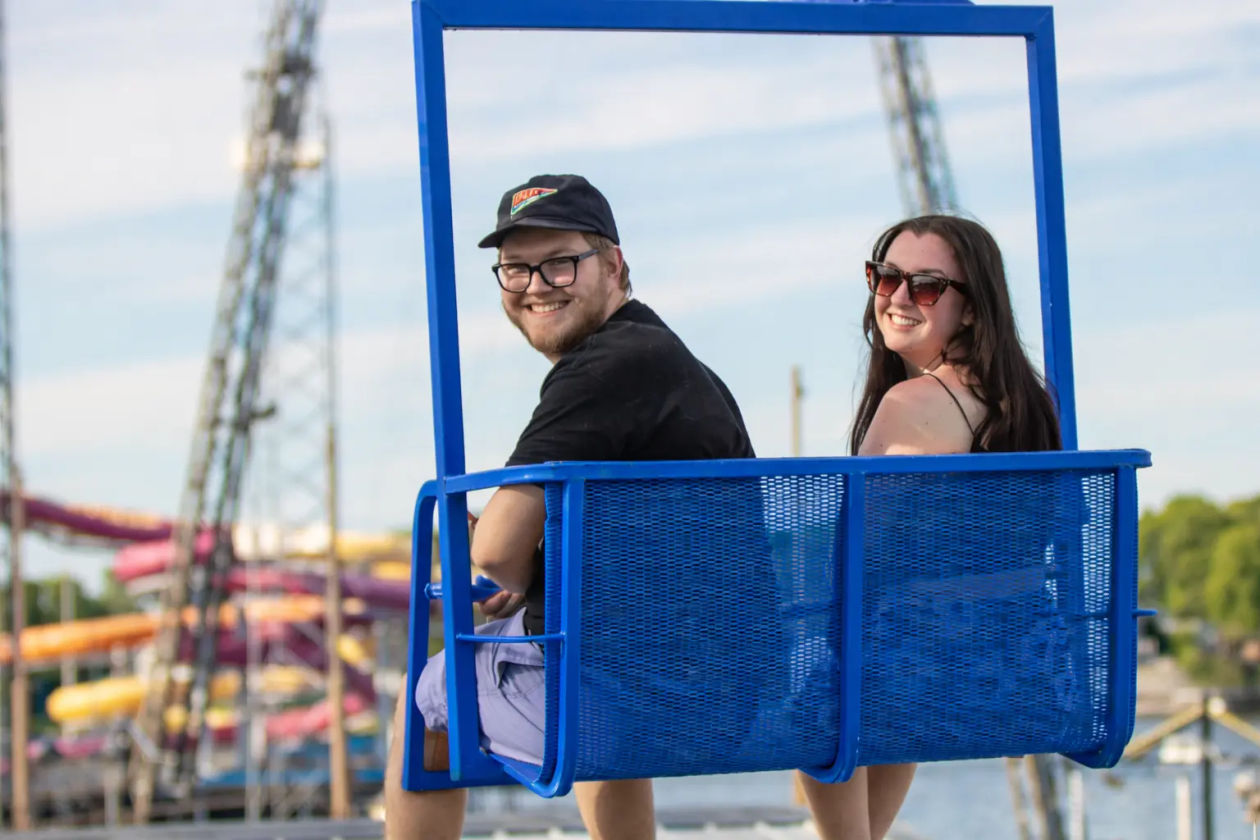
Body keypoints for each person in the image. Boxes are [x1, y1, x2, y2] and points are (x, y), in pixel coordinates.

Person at [384, 174, 755, 840]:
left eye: (559, 262)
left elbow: (493, 556)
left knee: (424, 698)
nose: (533, 285)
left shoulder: (603, 370)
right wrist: (521, 561)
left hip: (641, 698)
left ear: (613, 264)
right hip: (728, 686)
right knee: (571, 648)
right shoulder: (671, 362)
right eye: (516, 269)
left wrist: (503, 562)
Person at [795, 214, 1061, 840]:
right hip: (1035, 665)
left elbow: (855, 555)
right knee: (885, 664)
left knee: (813, 708)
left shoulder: (912, 404)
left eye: (926, 286)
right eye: (884, 278)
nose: (896, 297)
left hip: (936, 670)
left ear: (971, 310)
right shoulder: (1032, 400)